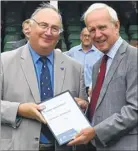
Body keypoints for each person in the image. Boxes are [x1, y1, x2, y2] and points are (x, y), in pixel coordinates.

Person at [1, 3, 88, 151]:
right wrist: (19, 109)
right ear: (29, 27)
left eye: (55, 28)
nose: (49, 32)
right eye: (43, 25)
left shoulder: (75, 67)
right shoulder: (4, 62)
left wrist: (84, 106)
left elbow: (83, 107)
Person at [68, 3, 138, 151]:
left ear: (117, 25)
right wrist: (87, 106)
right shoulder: (98, 65)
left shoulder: (134, 58)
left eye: (102, 27)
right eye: (92, 29)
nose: (97, 35)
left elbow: (134, 109)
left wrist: (95, 132)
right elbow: (107, 105)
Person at [66, 27, 103, 95]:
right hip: (75, 90)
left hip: (92, 90)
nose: (87, 38)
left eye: (89, 36)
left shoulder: (100, 54)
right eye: (85, 35)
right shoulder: (72, 52)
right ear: (81, 37)